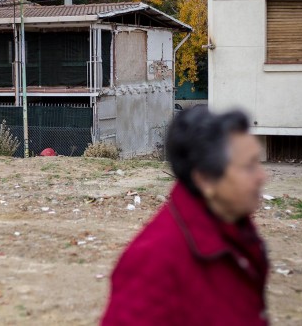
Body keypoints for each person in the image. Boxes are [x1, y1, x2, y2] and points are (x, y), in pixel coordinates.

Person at [102, 107, 269, 325]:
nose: (263, 176)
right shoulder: (152, 263)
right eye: (249, 166)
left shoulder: (237, 233)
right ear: (206, 180)